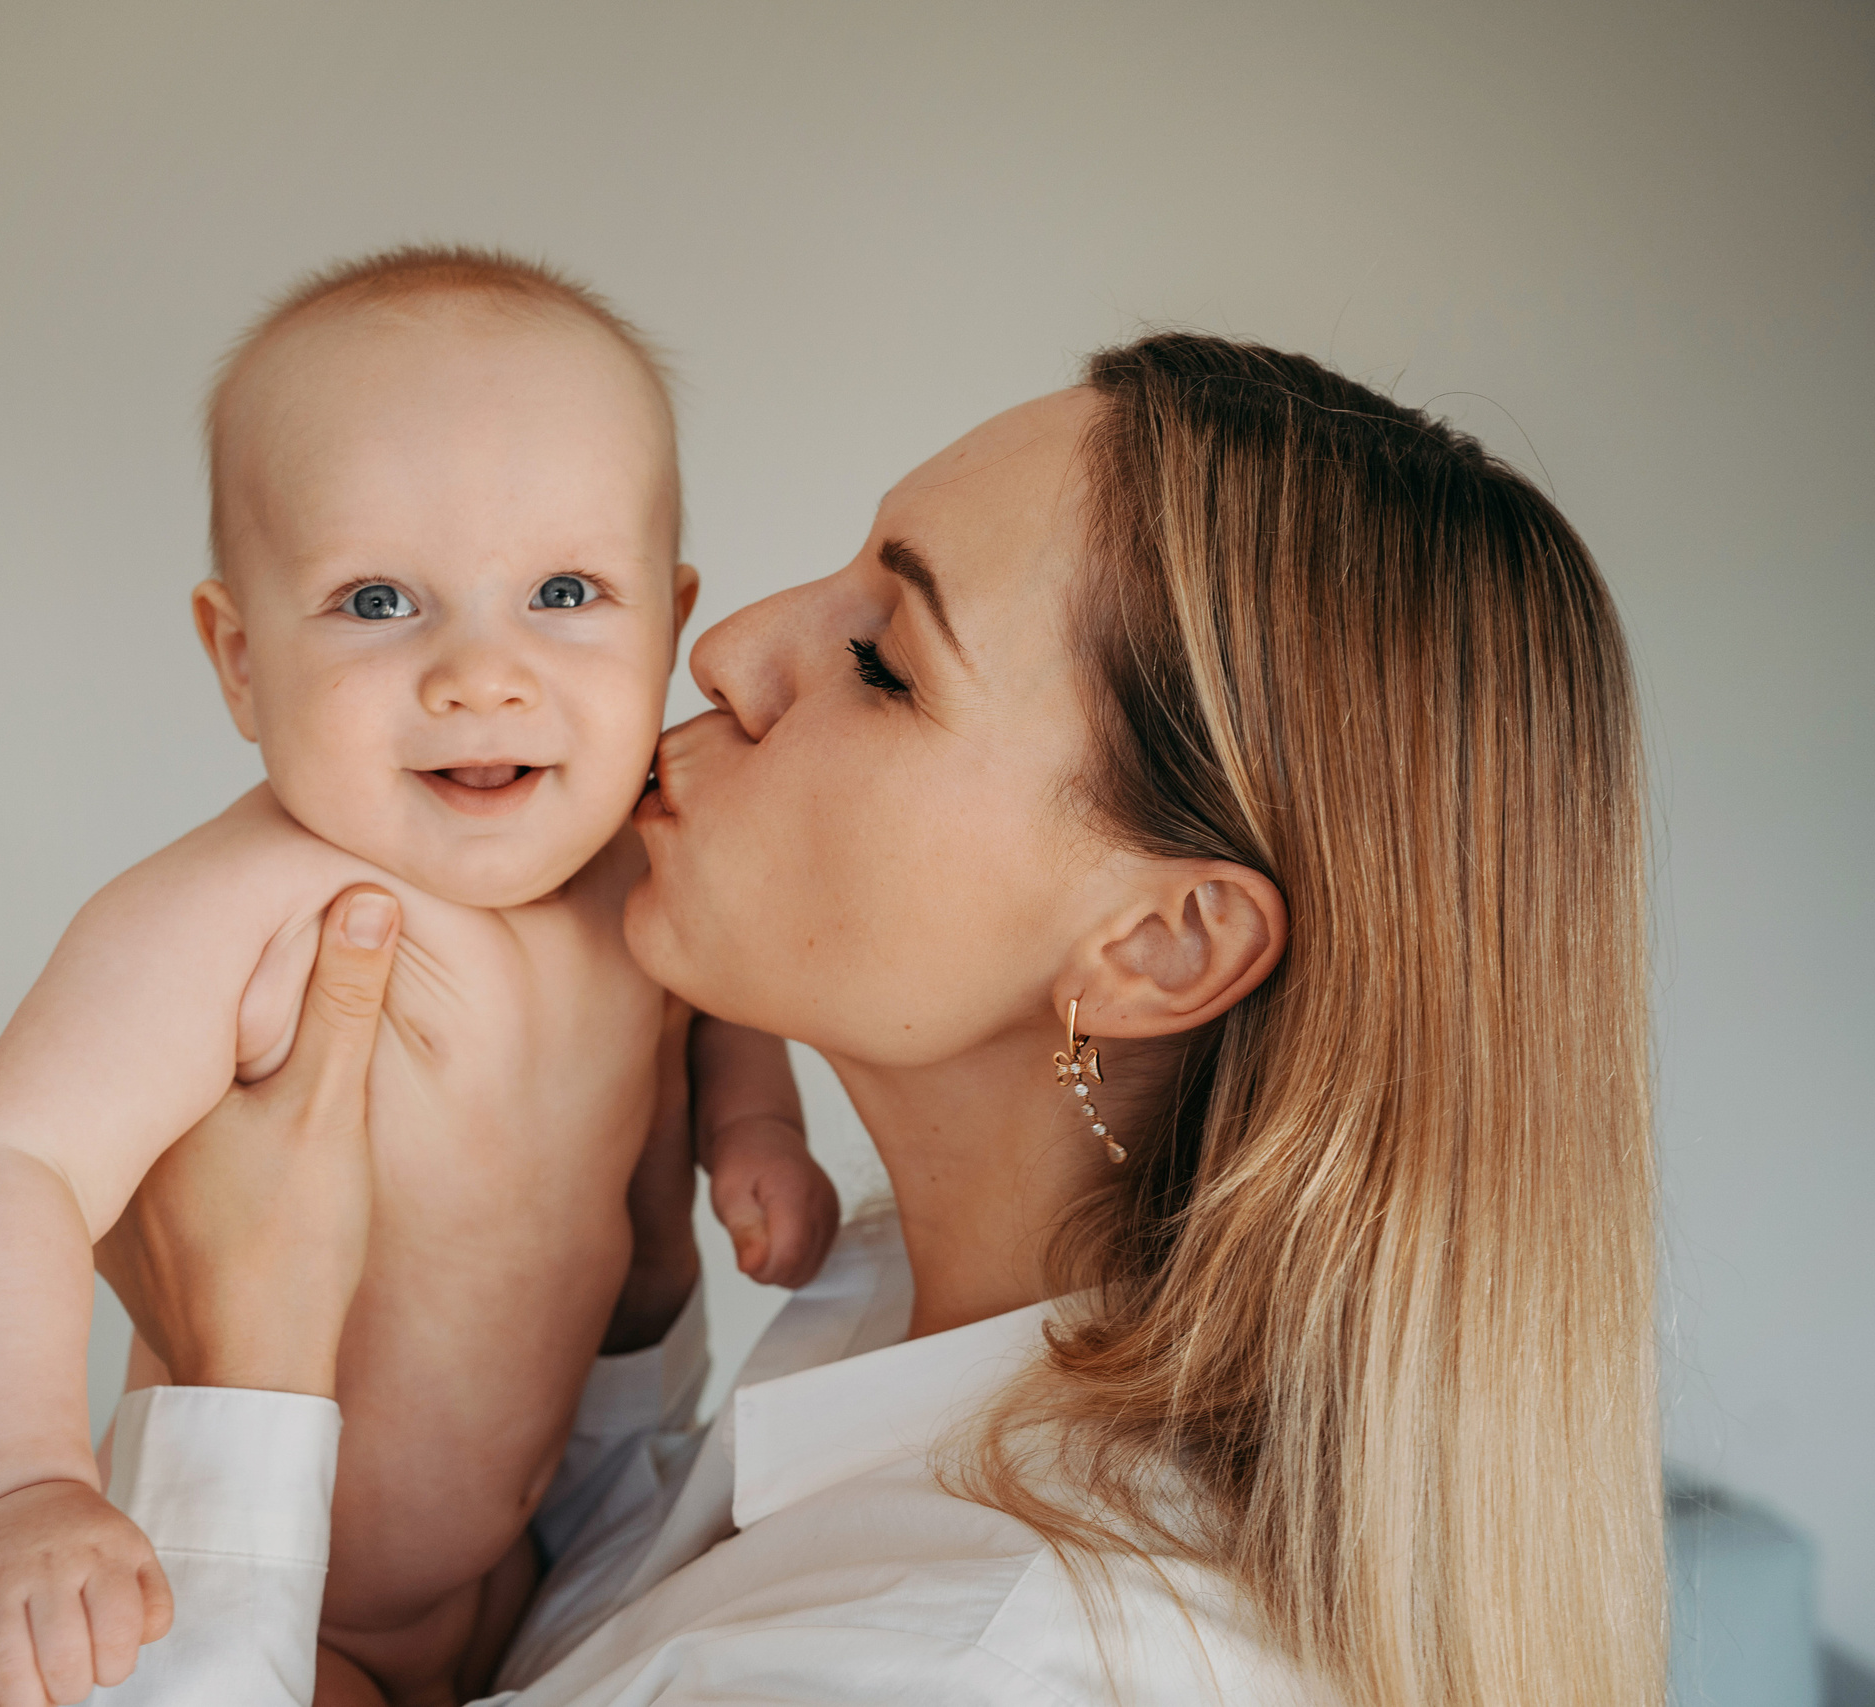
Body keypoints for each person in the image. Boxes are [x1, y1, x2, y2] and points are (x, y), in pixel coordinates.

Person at [88, 334, 1667, 1706]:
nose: (723, 649)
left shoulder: (981, 1665)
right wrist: (619, 1339)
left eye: (882, 661)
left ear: (1163, 944)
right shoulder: (906, 1323)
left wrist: (237, 1384)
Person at [0, 248, 837, 1707]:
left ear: (669, 615)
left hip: (522, 1563)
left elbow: (711, 996)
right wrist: (16, 1488)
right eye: (380, 601)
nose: (481, 673)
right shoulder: (245, 901)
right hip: (274, 1599)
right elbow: (14, 1161)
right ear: (238, 659)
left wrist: (752, 1129)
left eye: (566, 589)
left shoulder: (643, 855)